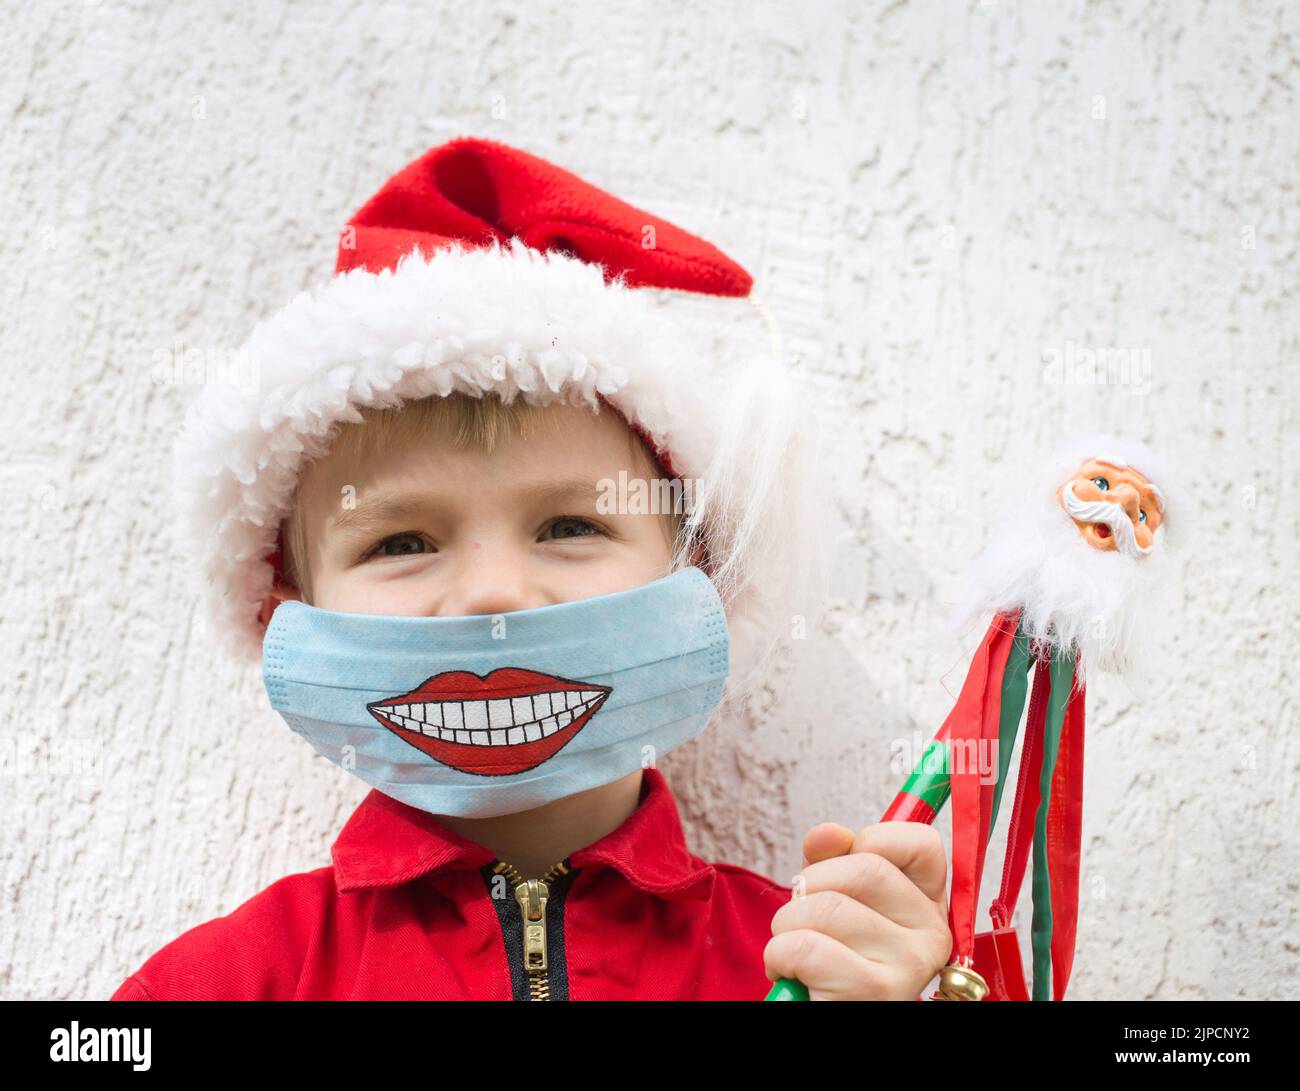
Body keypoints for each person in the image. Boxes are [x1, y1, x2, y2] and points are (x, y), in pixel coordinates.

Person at [109, 136, 951, 1000]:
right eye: (400, 542)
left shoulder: (804, 969)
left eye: (569, 524)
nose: (493, 592)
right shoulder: (217, 987)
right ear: (282, 609)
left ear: (700, 570)